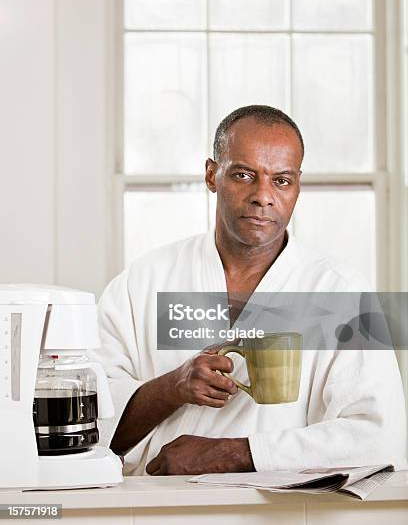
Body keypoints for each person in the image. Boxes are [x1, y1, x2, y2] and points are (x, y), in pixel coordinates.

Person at [94, 105, 407, 476]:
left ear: (298, 186)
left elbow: (379, 437)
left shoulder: (340, 291)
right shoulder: (143, 282)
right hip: (158, 509)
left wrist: (235, 453)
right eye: (244, 175)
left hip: (285, 515)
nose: (263, 195)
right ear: (212, 175)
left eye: (282, 180)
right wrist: (171, 388)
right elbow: (90, 432)